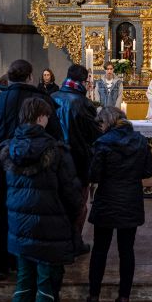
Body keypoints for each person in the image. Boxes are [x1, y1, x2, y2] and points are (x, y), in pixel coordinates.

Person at [2, 97, 82, 302]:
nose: (48, 120)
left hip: (20, 227)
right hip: (50, 228)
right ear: (40, 118)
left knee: (24, 285)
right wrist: (72, 219)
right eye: (46, 116)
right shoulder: (55, 150)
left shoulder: (10, 148)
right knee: (47, 288)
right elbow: (72, 193)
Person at [0, 59, 63, 279]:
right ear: (30, 76)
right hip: (36, 172)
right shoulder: (42, 100)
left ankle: (1, 263)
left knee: (1, 212)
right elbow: (57, 135)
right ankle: (29, 263)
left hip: (2, 168)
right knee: (32, 213)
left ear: (9, 77)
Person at [86, 106, 152, 302]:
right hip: (130, 200)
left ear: (108, 122)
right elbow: (148, 170)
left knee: (100, 250)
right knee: (127, 251)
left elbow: (94, 175)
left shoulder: (103, 143)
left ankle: (94, 297)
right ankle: (124, 299)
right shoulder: (140, 141)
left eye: (101, 123)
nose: (100, 127)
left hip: (107, 199)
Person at [52, 64, 101, 254]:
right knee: (78, 205)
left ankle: (59, 241)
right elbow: (94, 134)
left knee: (58, 202)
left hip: (55, 158)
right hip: (78, 160)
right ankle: (74, 243)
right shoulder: (83, 103)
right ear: (83, 81)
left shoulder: (53, 97)